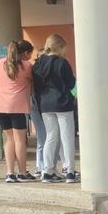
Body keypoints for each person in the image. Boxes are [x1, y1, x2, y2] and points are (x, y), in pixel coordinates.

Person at [32, 34, 78, 183]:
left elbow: (36, 86)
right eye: (64, 48)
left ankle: (47, 171)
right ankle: (70, 171)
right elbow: (71, 84)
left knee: (50, 137)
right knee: (67, 137)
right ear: (59, 47)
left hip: (45, 104)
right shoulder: (62, 63)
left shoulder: (39, 63)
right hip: (63, 103)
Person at [0, 40, 36, 183]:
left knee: (9, 139)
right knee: (20, 140)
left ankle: (10, 173)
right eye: (30, 54)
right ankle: (23, 173)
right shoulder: (26, 66)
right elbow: (34, 79)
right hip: (17, 107)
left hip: (0, 106)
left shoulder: (0, 63)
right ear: (25, 53)